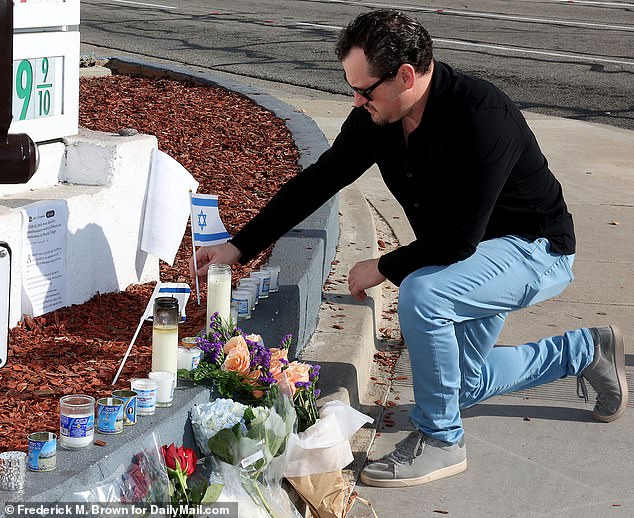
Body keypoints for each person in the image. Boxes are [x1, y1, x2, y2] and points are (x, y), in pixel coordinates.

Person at [190, 9, 628, 488]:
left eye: (365, 89)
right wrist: (240, 245)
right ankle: (587, 351)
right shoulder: (377, 118)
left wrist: (382, 265)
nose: (356, 101)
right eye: (350, 87)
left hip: (533, 250)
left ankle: (441, 440)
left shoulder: (481, 115)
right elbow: (319, 181)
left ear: (406, 75)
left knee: (423, 292)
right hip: (469, 261)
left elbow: (459, 239)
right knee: (463, 383)